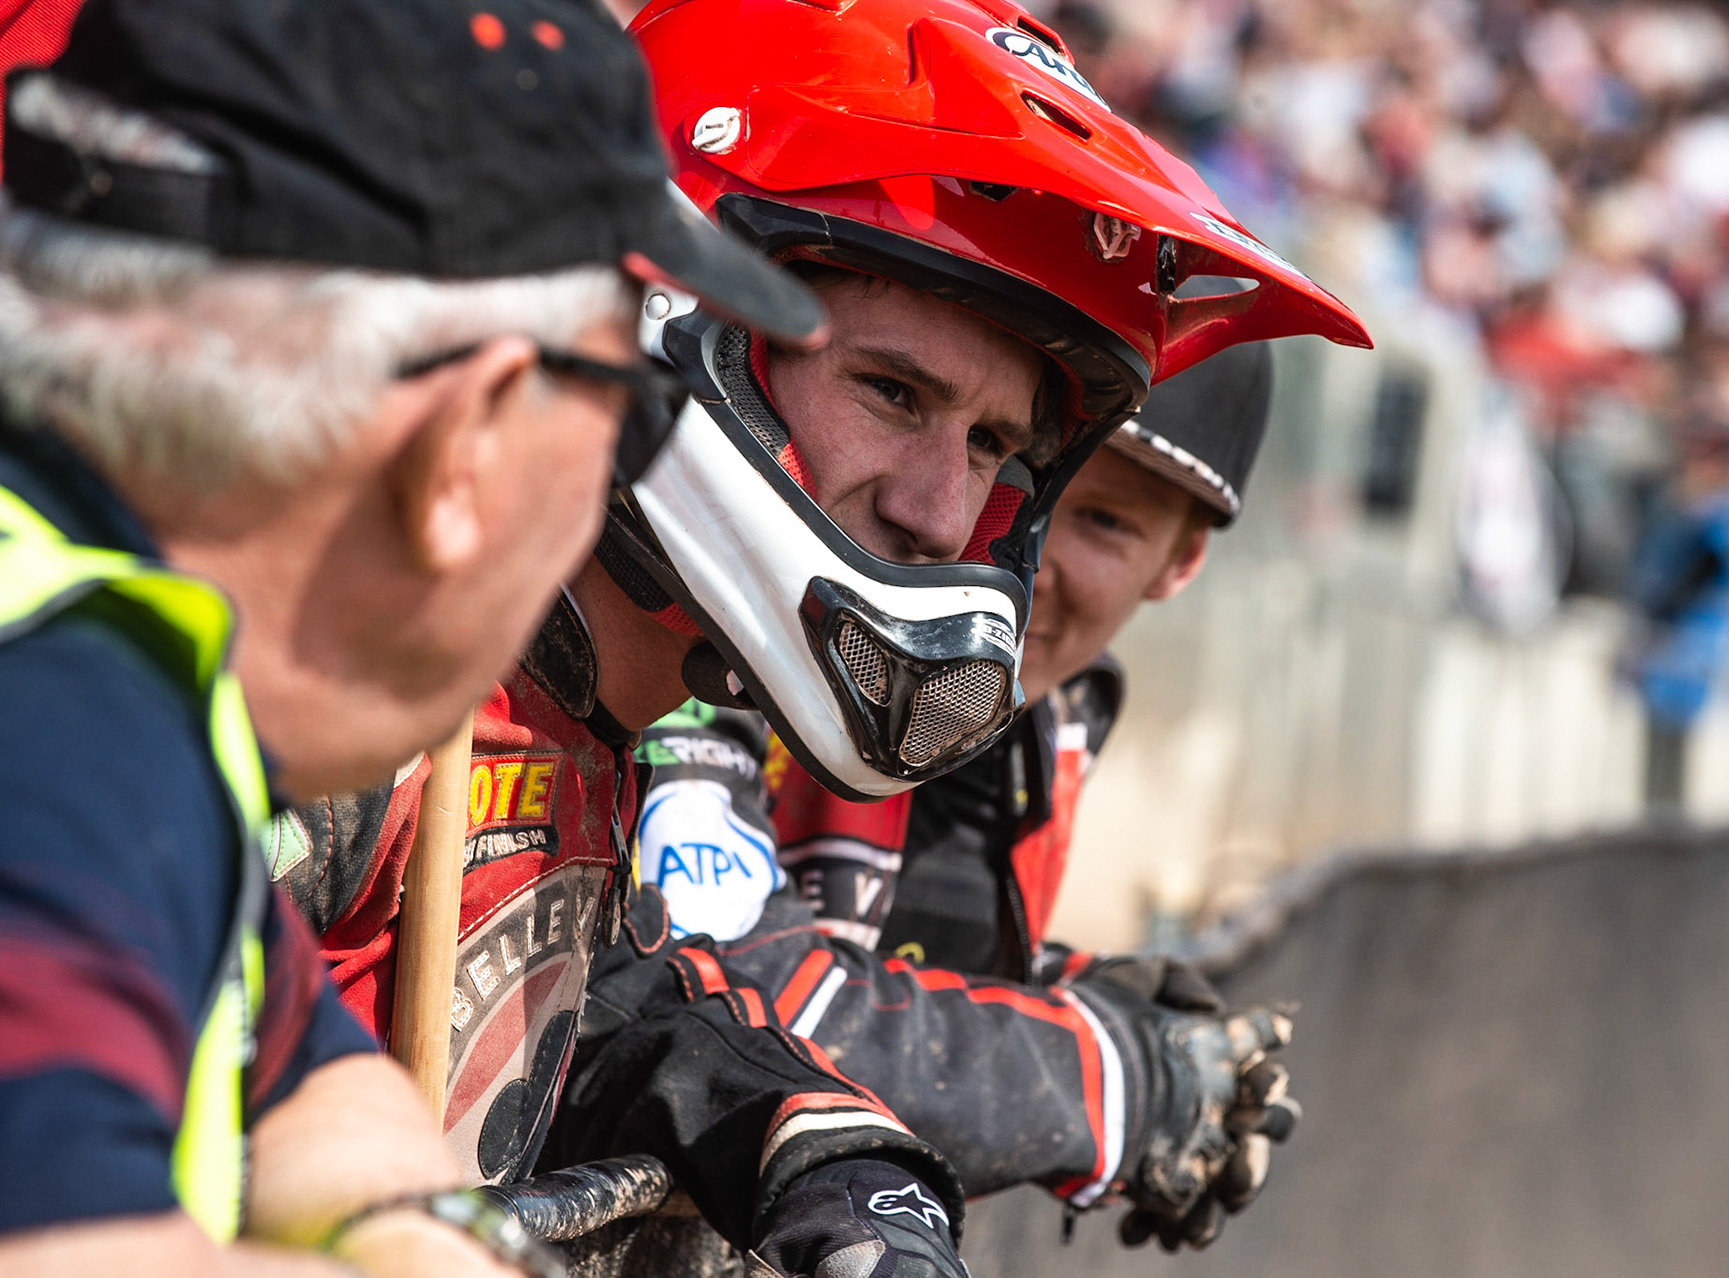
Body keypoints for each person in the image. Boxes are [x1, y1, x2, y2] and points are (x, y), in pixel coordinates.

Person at [280, 0, 1366, 1270]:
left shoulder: (574, 711)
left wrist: (833, 1156)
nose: (939, 509)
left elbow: (600, 1002)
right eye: (893, 392)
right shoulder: (342, 676)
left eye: (993, 448)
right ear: (679, 317)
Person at [0, 0, 825, 1271]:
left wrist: (426, 1238)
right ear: (468, 444)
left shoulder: (130, 671)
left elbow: (309, 1092)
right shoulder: (55, 729)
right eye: (631, 418)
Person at [632, 344, 1316, 1252]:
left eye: (1104, 523)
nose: (1024, 557)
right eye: (1026, 476)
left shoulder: (1055, 713)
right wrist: (1104, 1076)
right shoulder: (718, 641)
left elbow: (895, 949)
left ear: (1178, 563)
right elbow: (711, 992)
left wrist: (1056, 995)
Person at [1624, 422, 1729, 810]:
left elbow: (1698, 585)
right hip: (1669, 666)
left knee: (1698, 794)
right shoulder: (1685, 514)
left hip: (1702, 667)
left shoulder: (1726, 523)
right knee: (1657, 788)